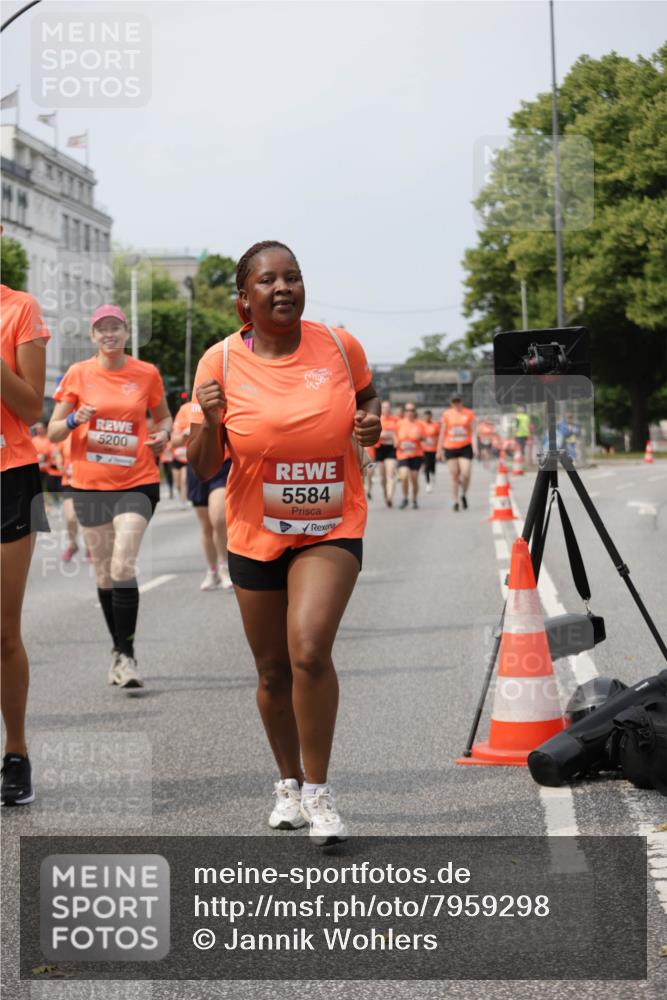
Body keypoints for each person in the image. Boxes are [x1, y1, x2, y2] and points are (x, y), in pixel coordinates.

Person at [188, 240, 380, 845]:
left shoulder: (340, 347)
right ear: (244, 299)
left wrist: (371, 422)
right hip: (255, 529)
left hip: (331, 521)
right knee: (272, 670)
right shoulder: (217, 363)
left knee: (308, 651)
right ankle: (288, 784)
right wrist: (211, 418)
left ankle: (320, 793)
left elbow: (367, 399)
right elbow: (200, 466)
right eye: (268, 281)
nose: (283, 288)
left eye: (293, 277)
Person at [48, 304, 172, 689]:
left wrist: (163, 435)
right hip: (89, 486)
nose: (109, 334)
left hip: (137, 481)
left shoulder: (146, 374)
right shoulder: (78, 375)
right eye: (102, 329)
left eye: (115, 327)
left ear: (126, 333)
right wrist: (73, 420)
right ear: (92, 337)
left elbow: (164, 418)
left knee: (122, 566)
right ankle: (119, 651)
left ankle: (128, 655)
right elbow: (52, 432)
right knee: (104, 574)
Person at [0, 279, 51, 806]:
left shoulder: (19, 308)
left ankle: (16, 752)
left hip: (7, 477)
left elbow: (32, 407)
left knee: (3, 632)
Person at [177, 398, 233, 591]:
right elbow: (174, 440)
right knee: (207, 526)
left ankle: (225, 568)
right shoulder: (186, 409)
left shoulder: (227, 403)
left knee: (219, 519)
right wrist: (185, 434)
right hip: (196, 469)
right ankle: (212, 571)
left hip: (222, 466)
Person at [438, 393, 476, 511]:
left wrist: (475, 447)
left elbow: (473, 431)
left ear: (461, 402)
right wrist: (439, 450)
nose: (456, 404)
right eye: (454, 402)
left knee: (466, 473)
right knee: (454, 475)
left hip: (465, 446)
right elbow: (442, 432)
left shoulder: (469, 413)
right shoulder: (447, 414)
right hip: (450, 447)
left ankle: (463, 494)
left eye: (458, 401)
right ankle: (455, 501)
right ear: (451, 403)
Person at [395, 403, 424, 509]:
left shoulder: (420, 424)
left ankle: (414, 499)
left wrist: (420, 437)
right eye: (407, 410)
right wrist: (396, 442)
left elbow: (425, 438)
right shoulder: (400, 423)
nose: (409, 412)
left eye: (412, 410)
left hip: (416, 455)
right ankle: (405, 497)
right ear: (404, 412)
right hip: (402, 454)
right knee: (404, 476)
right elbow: (395, 434)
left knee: (414, 478)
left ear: (415, 411)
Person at [375, 400, 398, 507]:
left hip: (391, 448)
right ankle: (385, 493)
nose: (386, 409)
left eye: (388, 407)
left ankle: (390, 496)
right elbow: (373, 435)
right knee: (383, 476)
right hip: (380, 448)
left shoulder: (396, 420)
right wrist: (381, 435)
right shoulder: (377, 419)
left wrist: (395, 438)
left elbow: (400, 433)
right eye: (384, 407)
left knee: (390, 473)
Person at [170, 402, 190, 507]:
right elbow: (173, 442)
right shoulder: (178, 430)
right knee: (177, 483)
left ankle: (184, 501)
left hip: (187, 459)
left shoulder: (190, 429)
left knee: (183, 480)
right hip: (177, 457)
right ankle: (181, 494)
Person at [420, 409, 439, 493]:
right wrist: (424, 439)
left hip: (433, 448)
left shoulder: (435, 425)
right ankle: (428, 483)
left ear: (431, 417)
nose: (427, 418)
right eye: (425, 416)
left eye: (429, 416)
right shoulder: (421, 425)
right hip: (424, 449)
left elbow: (439, 435)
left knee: (432, 465)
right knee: (426, 466)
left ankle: (433, 474)